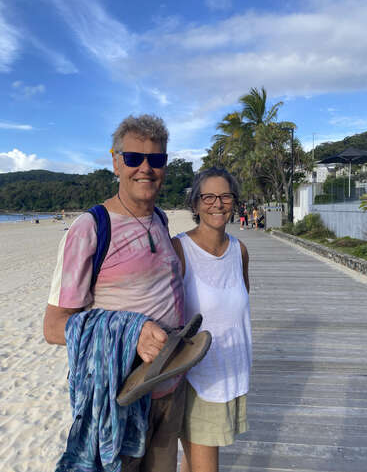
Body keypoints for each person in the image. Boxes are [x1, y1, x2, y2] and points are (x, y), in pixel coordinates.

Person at [44, 114, 185, 472]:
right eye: (134, 158)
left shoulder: (161, 220)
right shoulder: (90, 228)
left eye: (157, 160)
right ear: (116, 162)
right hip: (120, 397)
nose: (146, 168)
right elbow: (54, 327)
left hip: (169, 387)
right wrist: (131, 331)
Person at [171, 167, 252, 472]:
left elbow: (241, 307)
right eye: (208, 196)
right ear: (195, 203)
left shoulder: (239, 251)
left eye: (225, 196)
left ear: (234, 201)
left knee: (192, 463)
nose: (217, 204)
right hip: (197, 378)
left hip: (232, 371)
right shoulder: (180, 250)